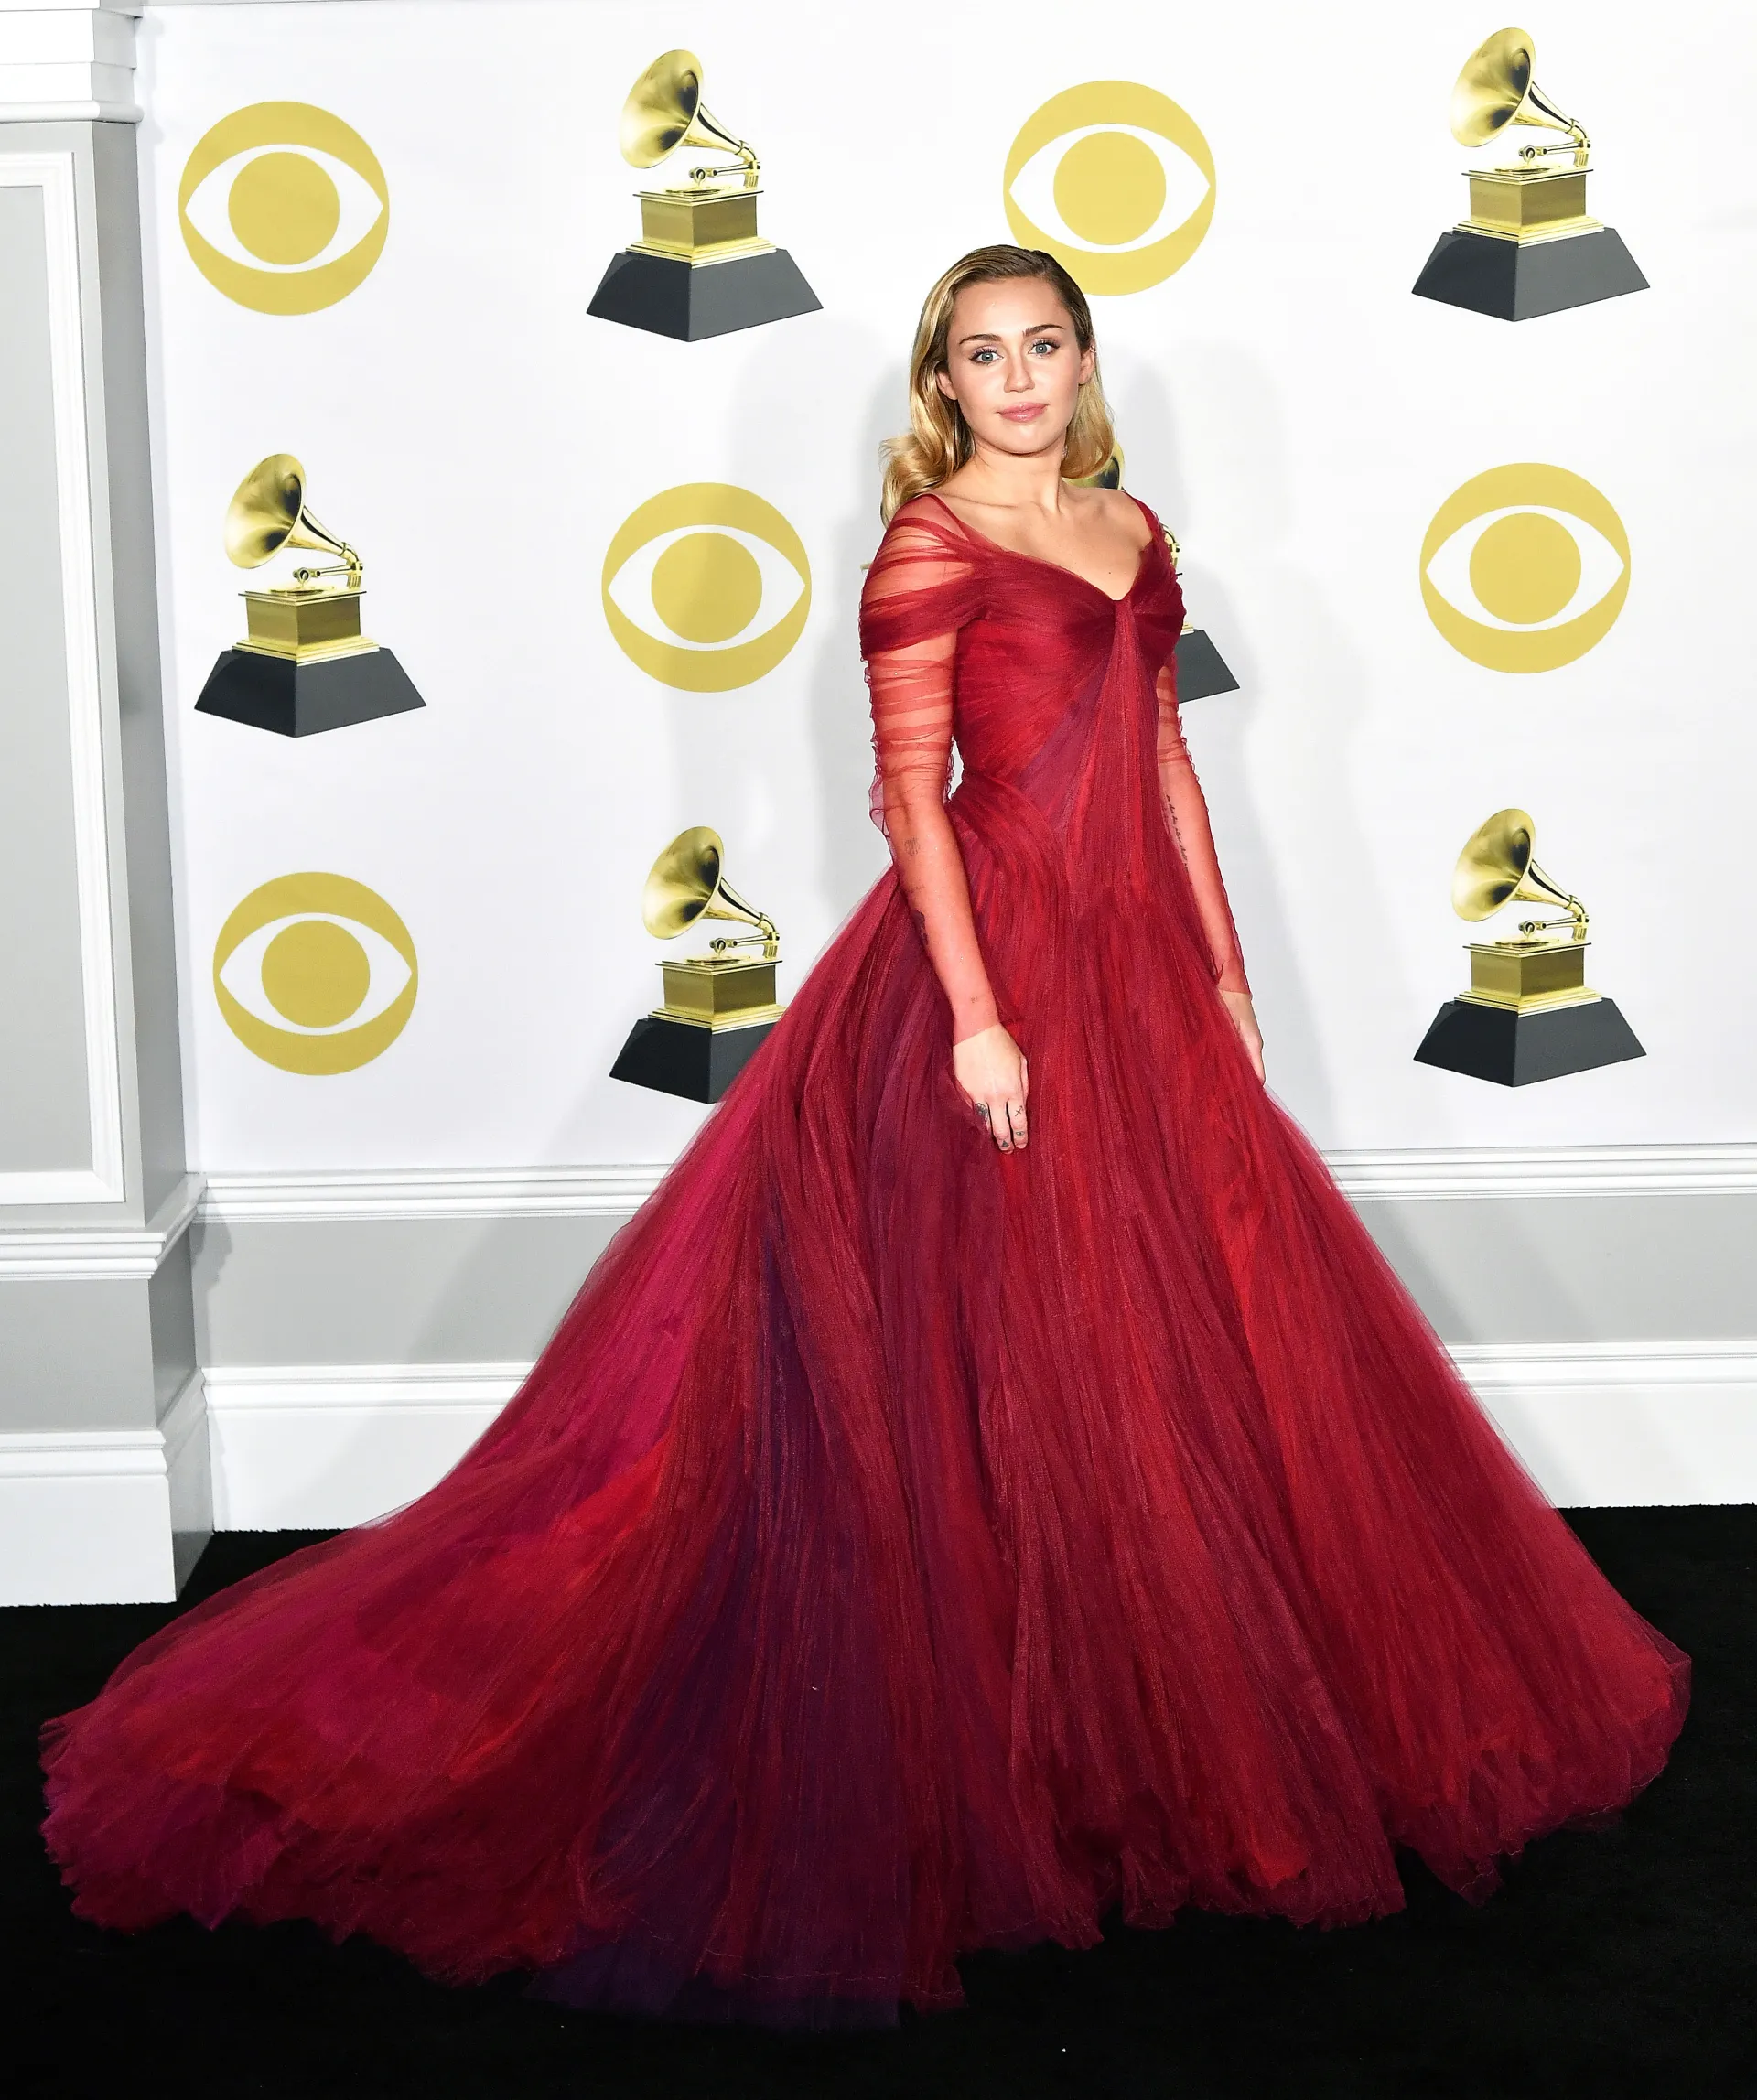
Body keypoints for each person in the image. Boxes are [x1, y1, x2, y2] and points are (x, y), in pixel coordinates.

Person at [42, 244, 1687, 2029]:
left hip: (1139, 976)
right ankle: (1001, 1748)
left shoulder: (1134, 532)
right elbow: (910, 797)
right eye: (985, 354)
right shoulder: (927, 547)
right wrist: (977, 1012)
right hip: (983, 973)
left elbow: (1163, 760)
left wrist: (1223, 969)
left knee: (1153, 1353)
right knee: (978, 1359)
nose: (1020, 378)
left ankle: (1133, 1725)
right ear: (943, 382)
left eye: (1044, 344)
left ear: (1083, 361)